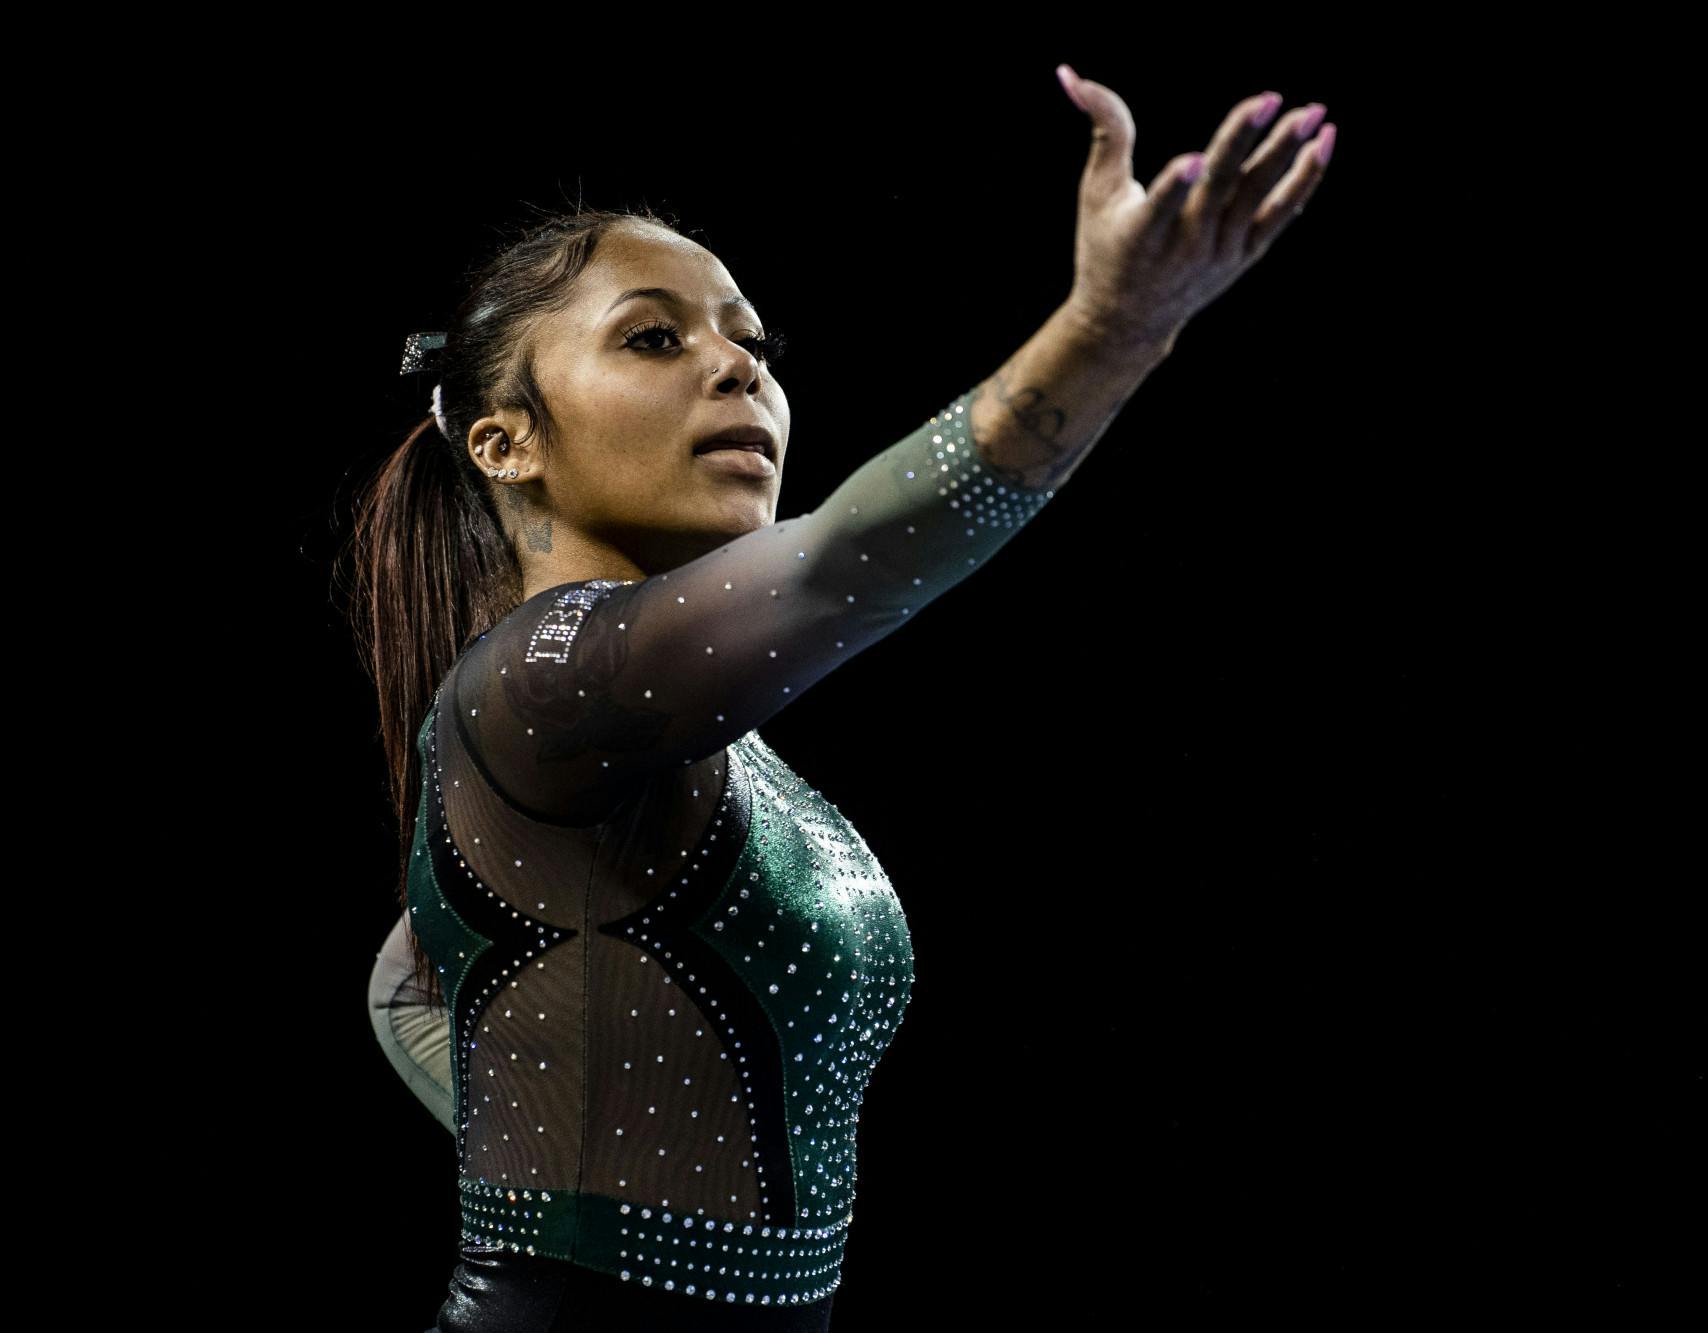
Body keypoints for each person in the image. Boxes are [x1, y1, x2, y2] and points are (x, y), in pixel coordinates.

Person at [348, 66, 1335, 1333]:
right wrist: (1110, 329)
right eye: (655, 337)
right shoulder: (543, 679)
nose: (735, 372)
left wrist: (550, 1129)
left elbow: (413, 981)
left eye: (752, 347)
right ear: (507, 441)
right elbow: (839, 564)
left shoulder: (677, 740)